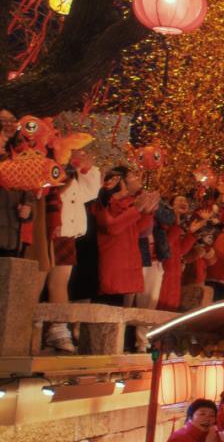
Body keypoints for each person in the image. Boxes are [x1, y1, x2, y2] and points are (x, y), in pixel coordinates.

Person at [42, 148, 100, 352]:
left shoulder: (73, 174)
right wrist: (64, 177)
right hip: (47, 228)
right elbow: (46, 192)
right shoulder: (48, 165)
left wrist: (86, 169)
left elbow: (90, 192)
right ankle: (40, 329)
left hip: (66, 232)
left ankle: (57, 329)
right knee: (39, 282)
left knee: (60, 282)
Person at [94, 166, 157, 304]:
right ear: (119, 182)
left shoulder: (129, 203)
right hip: (114, 266)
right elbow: (112, 227)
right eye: (131, 176)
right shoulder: (103, 203)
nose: (137, 178)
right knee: (106, 308)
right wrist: (137, 209)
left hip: (127, 264)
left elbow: (136, 230)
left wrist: (147, 212)